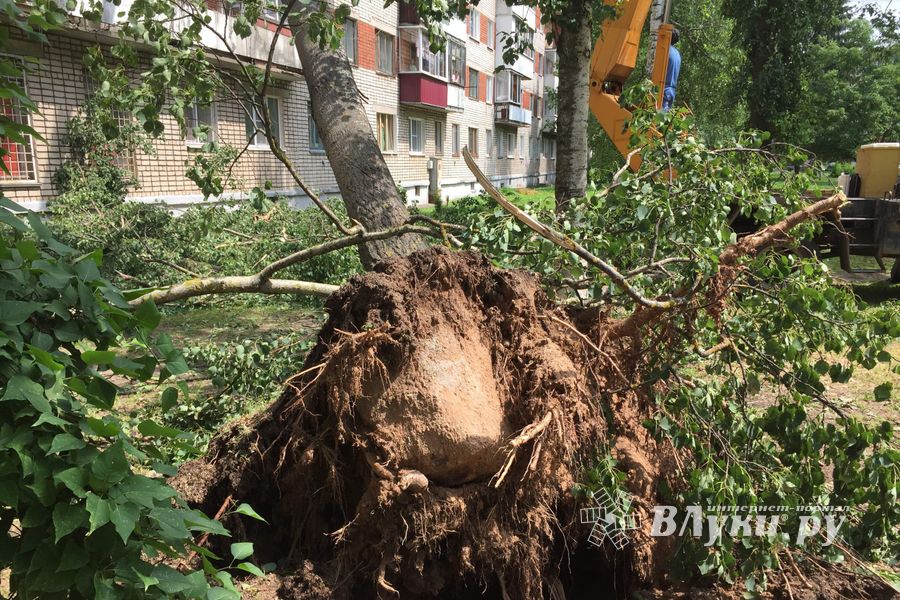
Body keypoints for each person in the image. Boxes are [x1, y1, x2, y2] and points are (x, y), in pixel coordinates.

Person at [662, 28, 681, 111]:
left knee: (658, 120)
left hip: (664, 91)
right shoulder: (677, 53)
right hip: (671, 91)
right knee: (664, 121)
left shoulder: (665, 50)